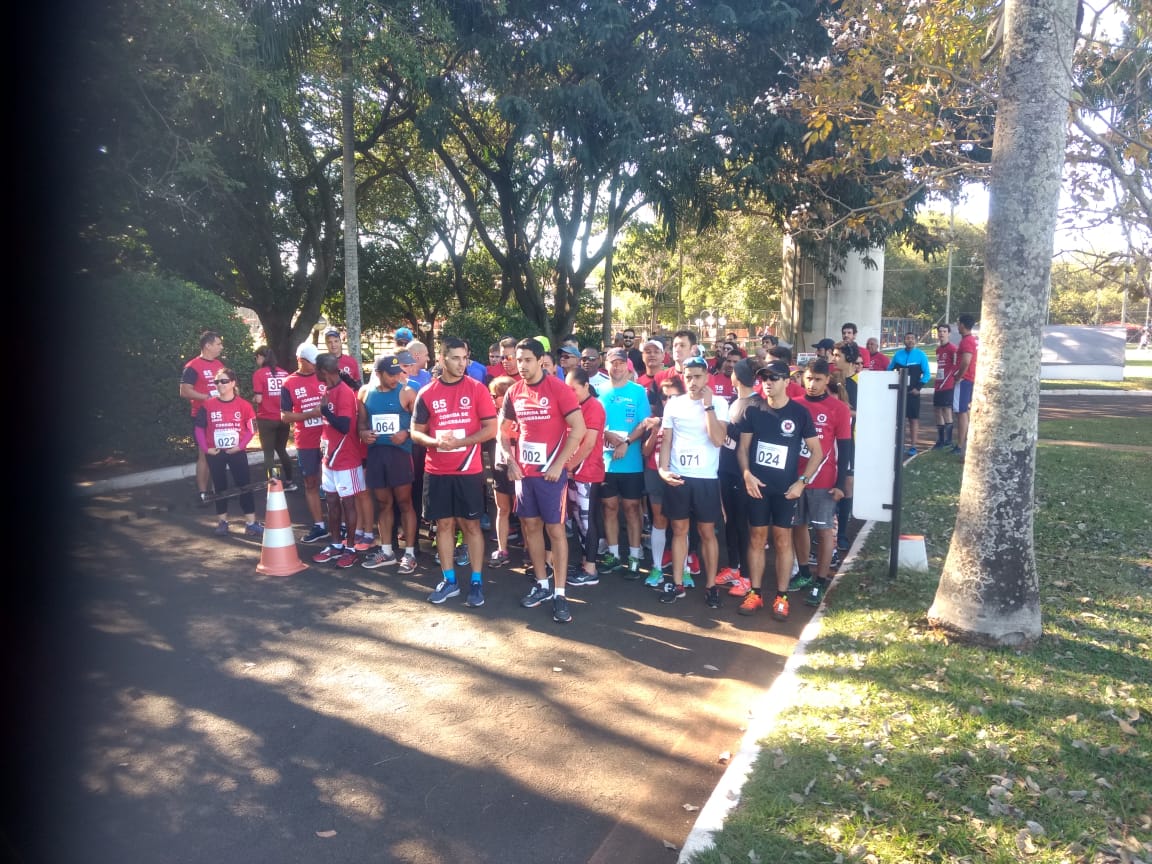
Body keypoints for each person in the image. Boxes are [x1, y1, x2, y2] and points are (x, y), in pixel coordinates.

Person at [500, 338, 587, 624]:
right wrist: (510, 461)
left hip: (551, 475)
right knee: (530, 527)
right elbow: (502, 432)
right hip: (524, 474)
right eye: (518, 359)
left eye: (526, 360)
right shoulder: (513, 391)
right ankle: (542, 584)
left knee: (556, 530)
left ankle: (560, 593)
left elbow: (579, 428)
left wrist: (560, 463)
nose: (521, 365)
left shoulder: (559, 390)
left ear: (540, 361)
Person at [410, 337, 498, 607]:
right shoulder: (427, 393)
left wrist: (461, 443)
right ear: (441, 359)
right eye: (456, 358)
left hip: (468, 472)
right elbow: (415, 432)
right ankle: (449, 581)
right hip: (436, 471)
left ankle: (476, 582)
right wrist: (435, 443)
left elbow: (491, 429)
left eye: (465, 358)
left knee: (471, 526)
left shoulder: (477, 390)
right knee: (443, 525)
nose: (462, 364)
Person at [735, 360, 821, 621]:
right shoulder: (753, 409)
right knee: (757, 538)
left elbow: (817, 452)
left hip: (786, 490)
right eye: (764, 378)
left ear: (787, 382)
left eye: (774, 378)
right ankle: (755, 592)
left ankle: (782, 597)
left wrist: (802, 482)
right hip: (758, 487)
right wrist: (747, 474)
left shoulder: (799, 413)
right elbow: (743, 449)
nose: (768, 383)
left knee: (783, 540)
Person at [657, 355, 729, 607]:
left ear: (707, 377)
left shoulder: (719, 403)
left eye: (698, 377)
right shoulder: (674, 404)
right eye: (688, 377)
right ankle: (677, 583)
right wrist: (662, 470)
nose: (693, 382)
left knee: (707, 532)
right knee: (678, 530)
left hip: (706, 478)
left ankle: (711, 586)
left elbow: (719, 440)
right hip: (678, 476)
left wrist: (708, 407)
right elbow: (666, 441)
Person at [789, 359, 853, 608]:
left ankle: (820, 579)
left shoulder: (839, 408)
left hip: (824, 481)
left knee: (824, 530)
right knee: (798, 526)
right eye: (808, 378)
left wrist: (841, 483)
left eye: (817, 379)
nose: (812, 384)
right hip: (795, 480)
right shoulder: (794, 405)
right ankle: (804, 572)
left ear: (828, 380)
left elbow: (845, 448)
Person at [358, 355, 419, 574]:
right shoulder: (365, 393)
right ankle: (387, 551)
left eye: (398, 373)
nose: (396, 378)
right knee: (383, 503)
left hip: (400, 455)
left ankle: (410, 553)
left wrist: (407, 433)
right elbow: (361, 422)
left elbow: (424, 422)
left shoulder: (407, 393)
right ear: (378, 374)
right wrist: (363, 433)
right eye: (391, 374)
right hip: (376, 454)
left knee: (405, 503)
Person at [596, 347, 652, 578]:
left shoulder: (638, 392)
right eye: (613, 363)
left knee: (631, 509)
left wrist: (626, 442)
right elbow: (591, 422)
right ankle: (613, 555)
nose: (616, 367)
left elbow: (645, 423)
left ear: (627, 366)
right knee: (609, 508)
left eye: (621, 363)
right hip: (605, 463)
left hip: (631, 463)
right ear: (606, 365)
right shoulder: (598, 390)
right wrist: (606, 434)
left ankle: (634, 556)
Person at [715, 358, 766, 601]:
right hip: (726, 470)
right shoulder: (735, 401)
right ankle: (734, 567)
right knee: (730, 521)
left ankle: (746, 575)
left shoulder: (755, 405)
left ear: (738, 376)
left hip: (741, 473)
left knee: (742, 524)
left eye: (733, 371)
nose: (730, 374)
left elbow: (751, 442)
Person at [308, 353, 365, 568]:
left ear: (323, 371)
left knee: (347, 502)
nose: (314, 373)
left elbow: (343, 425)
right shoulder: (328, 389)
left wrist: (324, 411)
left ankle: (350, 547)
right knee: (331, 501)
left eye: (316, 370)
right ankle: (335, 544)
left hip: (346, 458)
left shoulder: (343, 392)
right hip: (329, 457)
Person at [194, 367, 263, 537]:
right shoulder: (208, 405)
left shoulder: (244, 405)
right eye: (217, 381)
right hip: (216, 453)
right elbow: (199, 428)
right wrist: (206, 448)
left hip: (236, 452)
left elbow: (252, 428)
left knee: (244, 485)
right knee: (219, 486)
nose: (220, 384)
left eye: (224, 381)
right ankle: (223, 522)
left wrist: (241, 446)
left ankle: (251, 523)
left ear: (233, 383)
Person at [281, 343, 330, 544]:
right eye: (312, 362)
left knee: (333, 484)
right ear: (301, 360)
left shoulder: (324, 376)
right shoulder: (289, 383)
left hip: (329, 438)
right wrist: (311, 413)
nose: (316, 365)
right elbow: (285, 416)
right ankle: (319, 525)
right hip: (306, 441)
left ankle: (342, 525)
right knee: (311, 483)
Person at [564, 367, 607, 587]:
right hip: (574, 473)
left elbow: (589, 443)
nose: (570, 394)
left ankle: (591, 569)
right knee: (579, 520)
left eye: (574, 389)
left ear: (586, 386)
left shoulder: (594, 407)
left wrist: (569, 465)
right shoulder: (575, 406)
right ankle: (584, 562)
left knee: (587, 521)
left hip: (587, 473)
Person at [641, 376, 681, 587]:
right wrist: (655, 430)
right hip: (654, 473)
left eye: (673, 396)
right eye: (664, 397)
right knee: (659, 520)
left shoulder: (687, 419)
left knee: (680, 523)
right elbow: (645, 451)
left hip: (679, 474)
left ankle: (682, 570)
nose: (668, 401)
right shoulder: (654, 419)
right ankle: (656, 567)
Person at [180, 330, 225, 500]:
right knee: (204, 454)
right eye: (218, 344)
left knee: (220, 453)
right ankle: (203, 493)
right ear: (207, 345)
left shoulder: (219, 365)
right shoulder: (193, 366)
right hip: (202, 416)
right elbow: (184, 391)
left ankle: (218, 490)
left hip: (221, 416)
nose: (221, 347)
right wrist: (207, 397)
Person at [251, 346, 295, 489]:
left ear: (261, 357)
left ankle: (274, 483)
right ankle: (289, 481)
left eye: (256, 357)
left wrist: (253, 399)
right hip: (283, 417)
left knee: (269, 453)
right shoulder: (284, 374)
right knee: (282, 450)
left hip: (266, 418)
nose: (256, 360)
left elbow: (259, 399)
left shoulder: (259, 374)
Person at [487, 375, 518, 568]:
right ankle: (501, 548)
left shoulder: (519, 415)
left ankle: (530, 551)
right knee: (502, 508)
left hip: (519, 466)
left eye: (494, 395)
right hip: (500, 465)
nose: (491, 399)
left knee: (524, 512)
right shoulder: (494, 414)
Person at [887, 332, 931, 457]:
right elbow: (889, 370)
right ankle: (899, 444)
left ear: (915, 341)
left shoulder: (921, 355)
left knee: (913, 419)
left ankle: (913, 446)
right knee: (899, 419)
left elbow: (927, 374)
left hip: (913, 393)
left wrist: (918, 388)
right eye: (907, 338)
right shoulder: (898, 355)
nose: (910, 340)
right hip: (900, 392)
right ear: (904, 340)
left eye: (912, 338)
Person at [952, 313, 979, 456]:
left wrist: (958, 376)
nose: (957, 325)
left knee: (961, 412)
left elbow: (966, 361)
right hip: (966, 379)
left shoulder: (967, 341)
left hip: (964, 380)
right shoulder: (967, 340)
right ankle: (964, 442)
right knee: (964, 411)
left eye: (958, 323)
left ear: (962, 324)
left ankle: (961, 445)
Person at [932, 325, 959, 449]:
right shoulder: (938, 350)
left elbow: (956, 366)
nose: (941, 333)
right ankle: (940, 440)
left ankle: (948, 441)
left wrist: (951, 379)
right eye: (940, 331)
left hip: (948, 384)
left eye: (944, 331)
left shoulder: (952, 348)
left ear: (949, 333)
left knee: (946, 410)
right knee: (937, 411)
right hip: (938, 384)